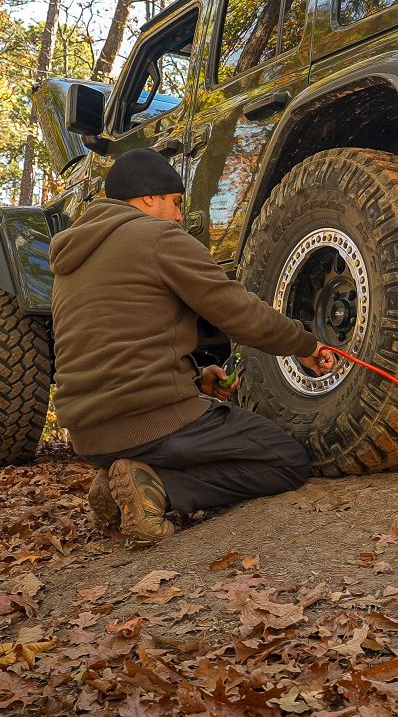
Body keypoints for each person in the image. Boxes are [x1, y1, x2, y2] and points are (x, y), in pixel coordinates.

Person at [47, 148, 336, 544]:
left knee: (211, 432)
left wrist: (197, 380)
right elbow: (238, 313)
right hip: (150, 422)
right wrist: (303, 343)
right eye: (176, 202)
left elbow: (112, 347)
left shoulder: (70, 263)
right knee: (285, 461)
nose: (181, 216)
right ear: (149, 197)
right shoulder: (158, 237)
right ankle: (159, 489)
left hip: (88, 437)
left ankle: (121, 486)